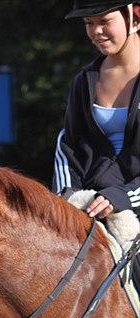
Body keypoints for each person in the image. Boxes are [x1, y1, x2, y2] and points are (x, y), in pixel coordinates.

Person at [53, 0, 140, 219]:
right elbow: (69, 145)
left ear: (135, 19)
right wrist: (68, 197)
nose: (96, 31)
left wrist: (123, 197)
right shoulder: (84, 81)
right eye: (88, 23)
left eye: (105, 21)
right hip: (92, 206)